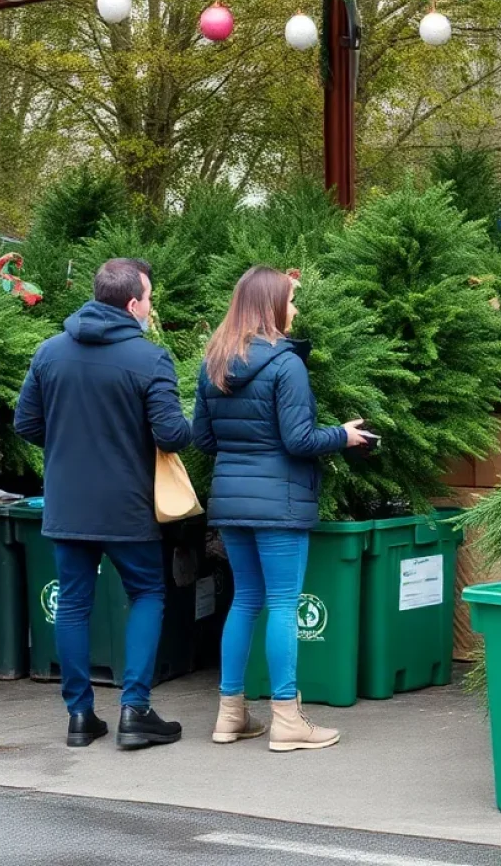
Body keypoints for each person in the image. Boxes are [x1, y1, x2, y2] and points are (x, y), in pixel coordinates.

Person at [15, 258, 191, 749]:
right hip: (126, 505)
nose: (150, 308)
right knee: (148, 594)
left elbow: (26, 425)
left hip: (67, 504)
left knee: (72, 604)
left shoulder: (49, 352)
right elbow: (172, 434)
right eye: (150, 300)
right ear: (133, 304)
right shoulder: (150, 359)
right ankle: (135, 711)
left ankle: (79, 716)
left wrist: (71, 442)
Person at [193, 266, 368, 752]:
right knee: (284, 604)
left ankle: (230, 715)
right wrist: (344, 435)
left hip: (231, 501)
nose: (295, 310)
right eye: (291, 301)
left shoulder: (214, 359)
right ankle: (287, 720)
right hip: (280, 503)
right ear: (270, 305)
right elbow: (299, 439)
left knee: (245, 600)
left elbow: (203, 438)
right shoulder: (286, 364)